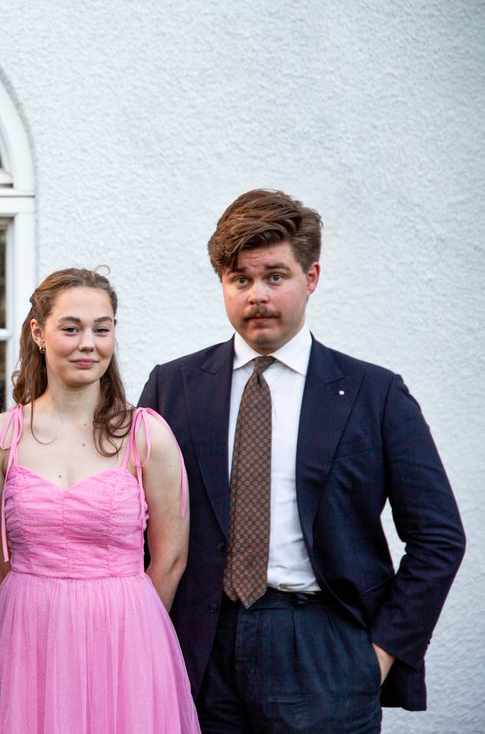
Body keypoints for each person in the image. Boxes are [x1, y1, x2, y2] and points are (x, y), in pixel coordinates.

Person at [139, 190, 466, 731]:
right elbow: (134, 523)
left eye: (275, 276)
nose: (257, 295)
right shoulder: (172, 387)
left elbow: (438, 537)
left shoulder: (374, 393)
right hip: (198, 647)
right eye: (240, 280)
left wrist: (378, 656)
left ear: (311, 277)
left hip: (323, 648)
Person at [0, 268, 200, 733]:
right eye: (71, 328)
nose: (88, 344)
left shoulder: (146, 434)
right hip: (29, 637)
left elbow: (171, 557)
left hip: (127, 639)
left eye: (102, 328)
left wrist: (129, 628)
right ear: (38, 332)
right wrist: (38, 610)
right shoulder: (0, 438)